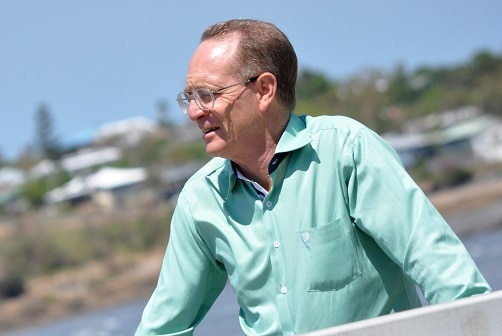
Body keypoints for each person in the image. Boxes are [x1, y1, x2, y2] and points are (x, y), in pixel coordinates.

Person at [135, 19, 491, 336]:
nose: (195, 112)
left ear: (264, 90)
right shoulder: (201, 199)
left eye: (207, 95)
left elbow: (448, 277)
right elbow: (163, 328)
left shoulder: (346, 150)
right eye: (189, 97)